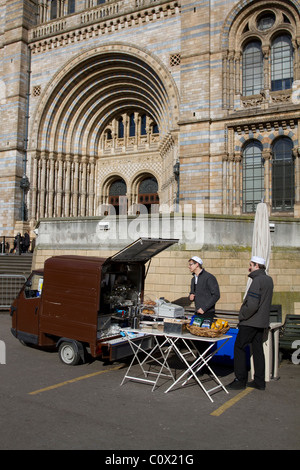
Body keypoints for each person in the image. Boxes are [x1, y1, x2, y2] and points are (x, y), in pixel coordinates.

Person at [228, 255, 274, 391]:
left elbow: (252, 305)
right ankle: (259, 381)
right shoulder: (268, 280)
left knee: (239, 347)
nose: (249, 267)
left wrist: (242, 316)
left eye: (251, 265)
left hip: (250, 322)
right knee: (258, 349)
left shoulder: (257, 281)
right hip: (262, 322)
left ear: (257, 266)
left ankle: (240, 380)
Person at [188, 256, 220, 322]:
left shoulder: (209, 277)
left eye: (191, 264)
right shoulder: (193, 279)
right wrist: (190, 296)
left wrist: (204, 308)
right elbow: (192, 292)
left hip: (207, 313)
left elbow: (216, 295)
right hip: (197, 312)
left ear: (197, 265)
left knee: (205, 332)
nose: (189, 266)